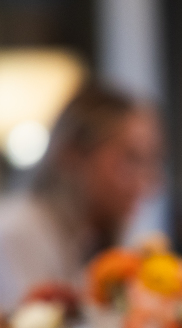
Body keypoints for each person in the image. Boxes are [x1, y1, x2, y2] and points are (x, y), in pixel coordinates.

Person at [0, 83, 163, 313]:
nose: (150, 183)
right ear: (73, 154)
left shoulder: (99, 241)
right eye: (131, 159)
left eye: (152, 160)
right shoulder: (17, 232)